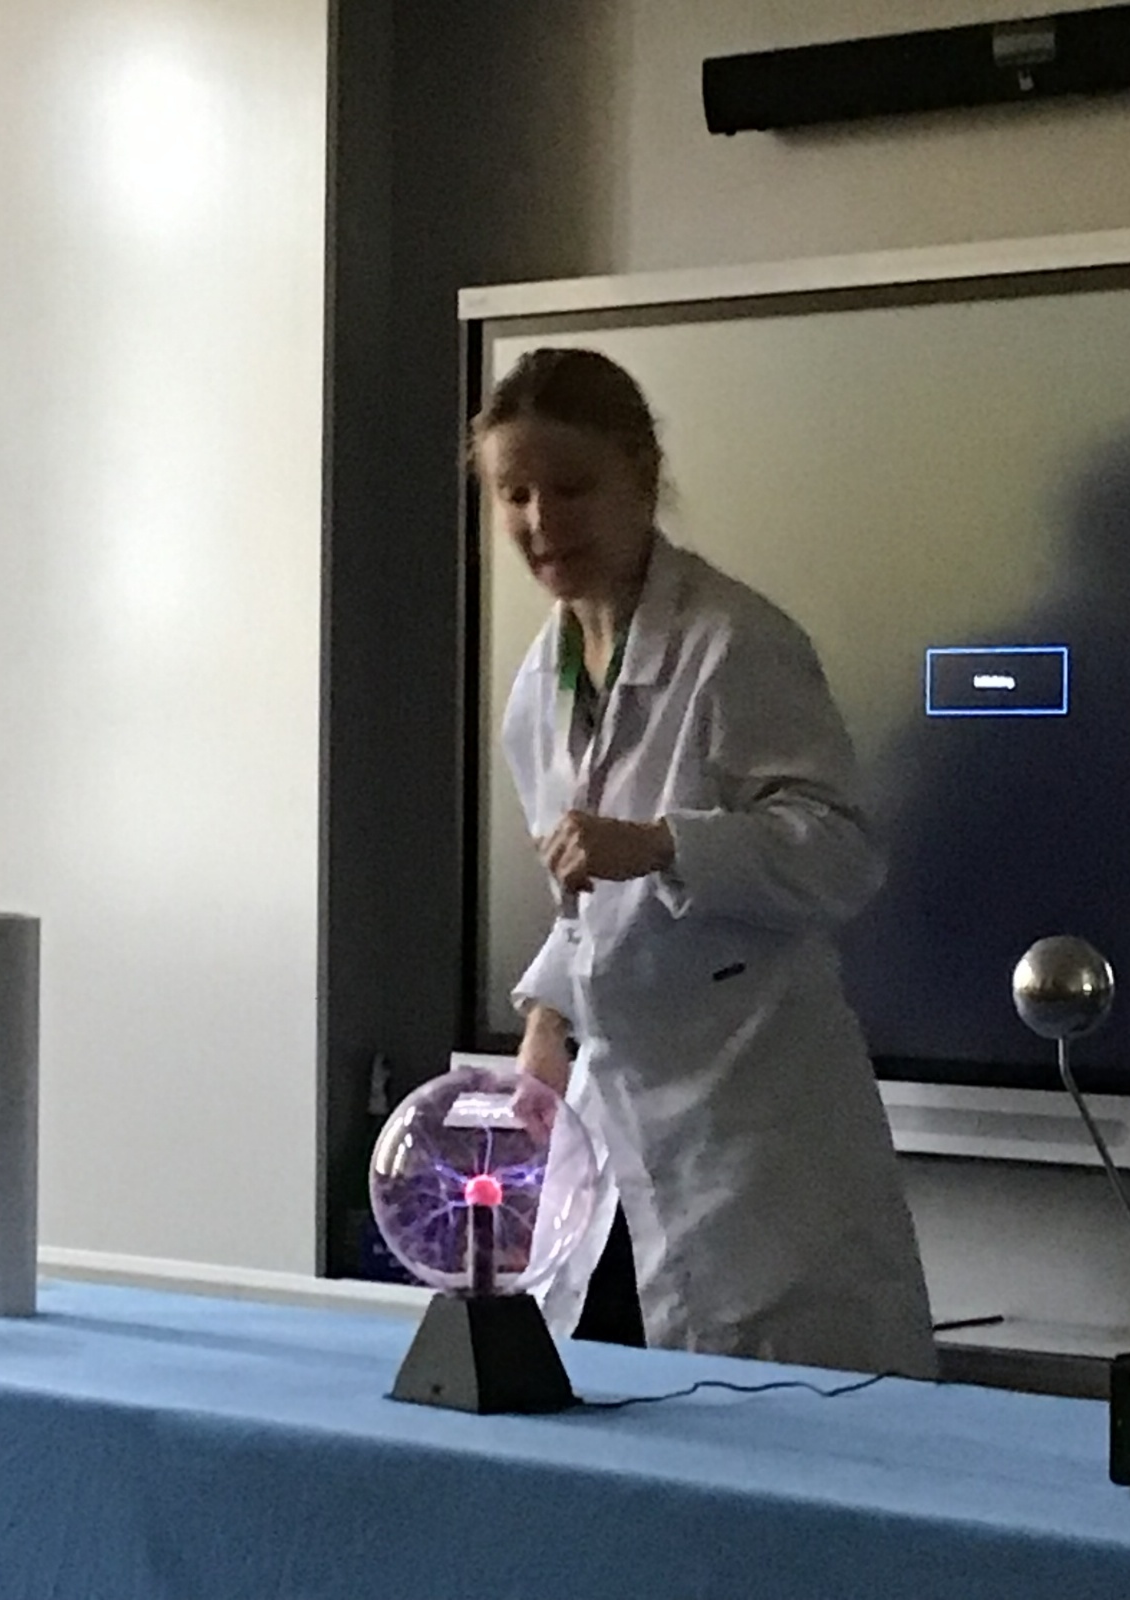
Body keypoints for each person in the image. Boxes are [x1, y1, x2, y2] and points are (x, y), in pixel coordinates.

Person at [475, 345, 936, 1378]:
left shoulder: (735, 643)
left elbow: (843, 853)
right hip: (616, 1128)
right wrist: (544, 1028)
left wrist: (665, 843)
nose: (542, 522)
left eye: (572, 488)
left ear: (642, 476)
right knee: (593, 1407)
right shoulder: (539, 687)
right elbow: (585, 911)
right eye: (515, 494)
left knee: (776, 1416)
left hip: (755, 1139)